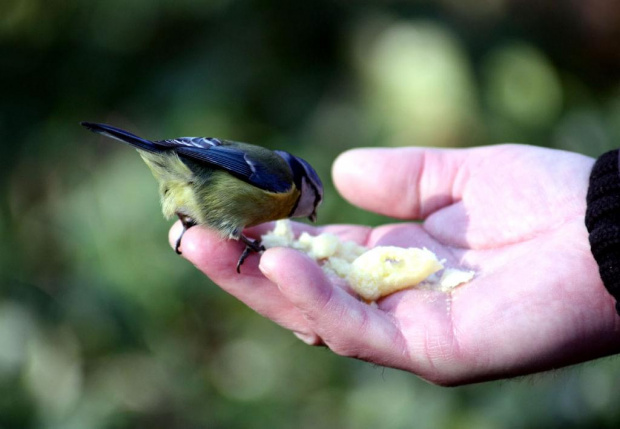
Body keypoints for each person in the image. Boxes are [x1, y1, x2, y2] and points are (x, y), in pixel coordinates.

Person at [168, 144, 620, 386]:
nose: (310, 212)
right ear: (303, 183)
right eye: (313, 201)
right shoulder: (281, 180)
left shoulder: (284, 191)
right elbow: (220, 161)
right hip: (200, 175)